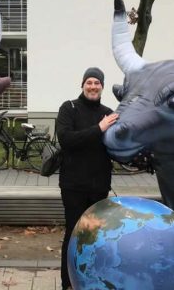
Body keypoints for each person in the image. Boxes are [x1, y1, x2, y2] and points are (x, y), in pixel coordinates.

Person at [55, 67, 118, 290]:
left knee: (94, 236)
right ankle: (68, 283)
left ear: (102, 86)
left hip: (99, 185)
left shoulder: (109, 112)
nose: (93, 86)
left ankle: (90, 280)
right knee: (74, 233)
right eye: (89, 82)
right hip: (73, 185)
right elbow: (66, 139)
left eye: (97, 83)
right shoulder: (69, 108)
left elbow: (115, 147)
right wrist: (99, 128)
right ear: (82, 85)